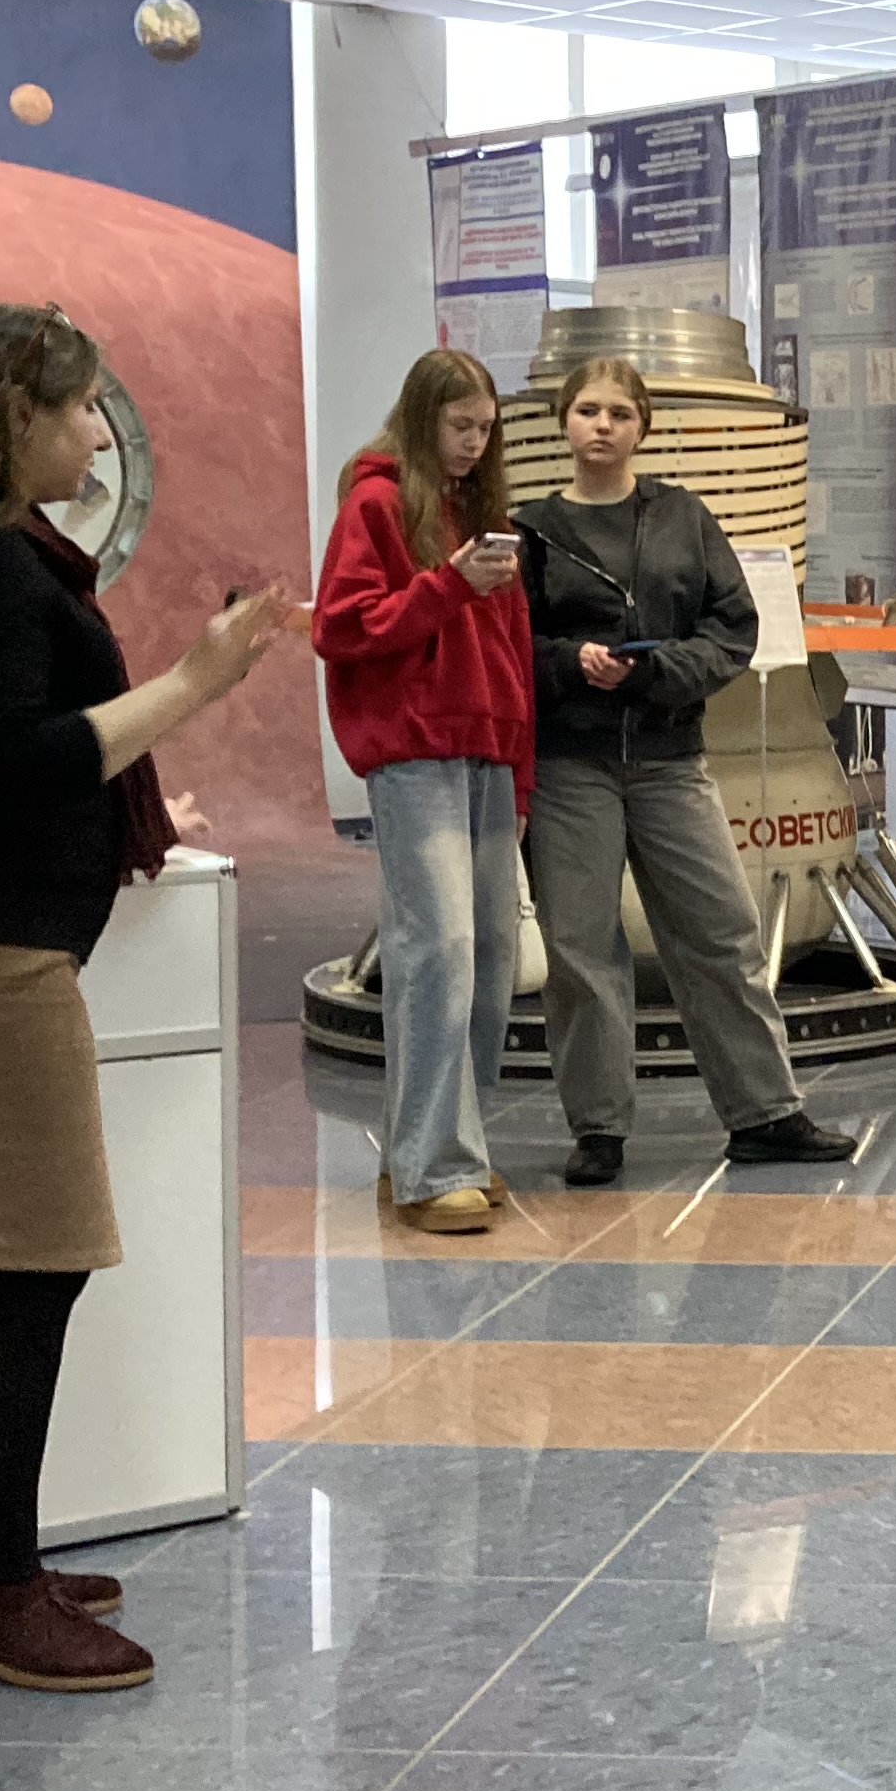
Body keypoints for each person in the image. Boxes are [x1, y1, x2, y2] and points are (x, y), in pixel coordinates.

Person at [0, 304, 294, 1692]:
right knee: (22, 1277)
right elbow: (18, 762)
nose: (97, 433)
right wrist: (195, 683)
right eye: (81, 407)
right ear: (11, 416)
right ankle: (0, 1597)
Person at [515, 356, 854, 1186]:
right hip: (571, 765)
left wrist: (659, 671)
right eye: (588, 410)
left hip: (669, 759)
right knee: (581, 948)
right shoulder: (532, 530)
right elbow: (508, 642)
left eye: (619, 413)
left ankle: (765, 1114)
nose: (602, 425)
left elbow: (733, 625)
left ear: (643, 428)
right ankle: (599, 1127)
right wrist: (568, 662)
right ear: (564, 421)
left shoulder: (682, 517)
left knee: (722, 930)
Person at [314, 348, 533, 1235]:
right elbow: (342, 628)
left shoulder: (484, 516)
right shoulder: (375, 505)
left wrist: (520, 773)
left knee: (489, 955)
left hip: (487, 755)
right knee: (436, 947)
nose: (475, 443)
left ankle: (434, 1147)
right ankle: (437, 1160)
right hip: (414, 756)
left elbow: (512, 655)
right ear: (421, 418)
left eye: (486, 428)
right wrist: (446, 588)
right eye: (459, 426)